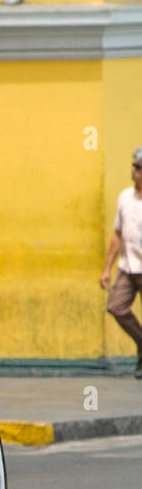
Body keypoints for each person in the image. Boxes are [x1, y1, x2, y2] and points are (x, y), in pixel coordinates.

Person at [101, 146, 142, 378]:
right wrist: (106, 268)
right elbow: (117, 234)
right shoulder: (125, 197)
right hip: (128, 266)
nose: (133, 170)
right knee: (116, 306)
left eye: (138, 167)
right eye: (133, 165)